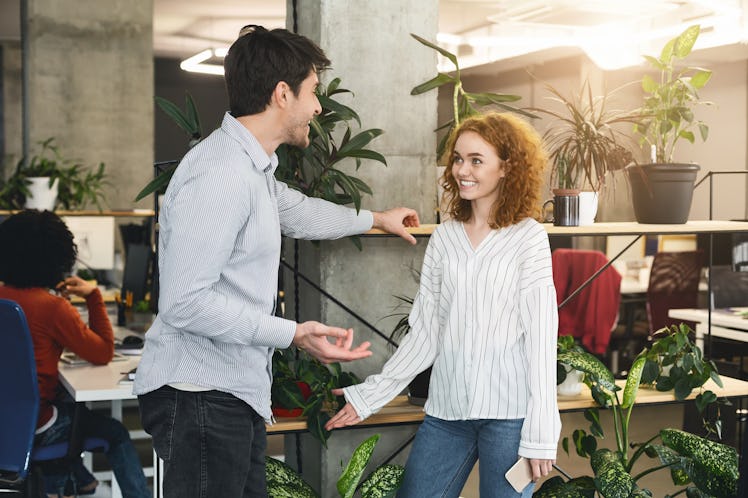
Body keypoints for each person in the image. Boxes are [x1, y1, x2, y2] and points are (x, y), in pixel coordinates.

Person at [133, 25, 420, 498]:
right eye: (312, 92)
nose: (318, 108)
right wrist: (293, 334)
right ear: (282, 94)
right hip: (200, 393)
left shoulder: (250, 166)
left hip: (228, 391)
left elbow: (298, 211)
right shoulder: (221, 174)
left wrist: (376, 218)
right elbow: (185, 303)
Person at [326, 112, 561, 497]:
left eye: (476, 160)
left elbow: (540, 338)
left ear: (506, 167)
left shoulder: (528, 238)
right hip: (447, 412)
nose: (461, 170)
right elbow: (427, 333)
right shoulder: (445, 238)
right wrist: (371, 394)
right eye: (457, 159)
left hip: (509, 416)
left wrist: (540, 433)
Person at [0, 210, 150, 498]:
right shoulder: (53, 308)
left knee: (69, 406)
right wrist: (93, 296)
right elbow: (104, 352)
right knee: (114, 432)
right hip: (37, 424)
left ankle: (80, 480)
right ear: (59, 256)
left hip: (7, 422)